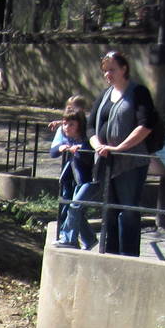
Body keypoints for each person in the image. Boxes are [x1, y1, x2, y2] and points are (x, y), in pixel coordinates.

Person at [88, 50, 155, 257]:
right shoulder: (104, 95)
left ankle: (128, 256)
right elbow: (90, 126)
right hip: (107, 161)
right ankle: (110, 253)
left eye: (112, 70)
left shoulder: (138, 92)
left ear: (124, 69)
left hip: (130, 162)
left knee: (128, 210)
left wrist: (120, 148)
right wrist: (98, 144)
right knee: (109, 210)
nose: (108, 74)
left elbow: (146, 125)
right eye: (105, 71)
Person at [51, 105, 96, 249]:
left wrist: (76, 151)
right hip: (78, 182)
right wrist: (61, 148)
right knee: (76, 210)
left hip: (91, 182)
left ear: (79, 125)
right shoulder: (69, 140)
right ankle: (89, 239)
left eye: (71, 125)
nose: (66, 127)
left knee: (75, 207)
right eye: (64, 124)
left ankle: (69, 239)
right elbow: (53, 152)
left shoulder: (87, 140)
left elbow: (87, 157)